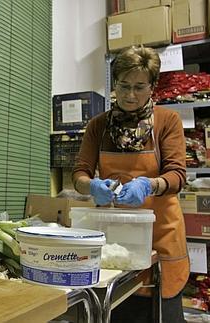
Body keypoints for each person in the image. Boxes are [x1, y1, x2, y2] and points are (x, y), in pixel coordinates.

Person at [72, 46, 189, 323]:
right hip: (115, 237)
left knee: (161, 311)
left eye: (139, 87)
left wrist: (149, 185)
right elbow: (80, 174)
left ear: (152, 86)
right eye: (124, 86)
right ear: (115, 84)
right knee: (118, 308)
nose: (130, 95)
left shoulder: (166, 121)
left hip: (160, 235)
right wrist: (92, 186)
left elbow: (177, 175)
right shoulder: (99, 126)